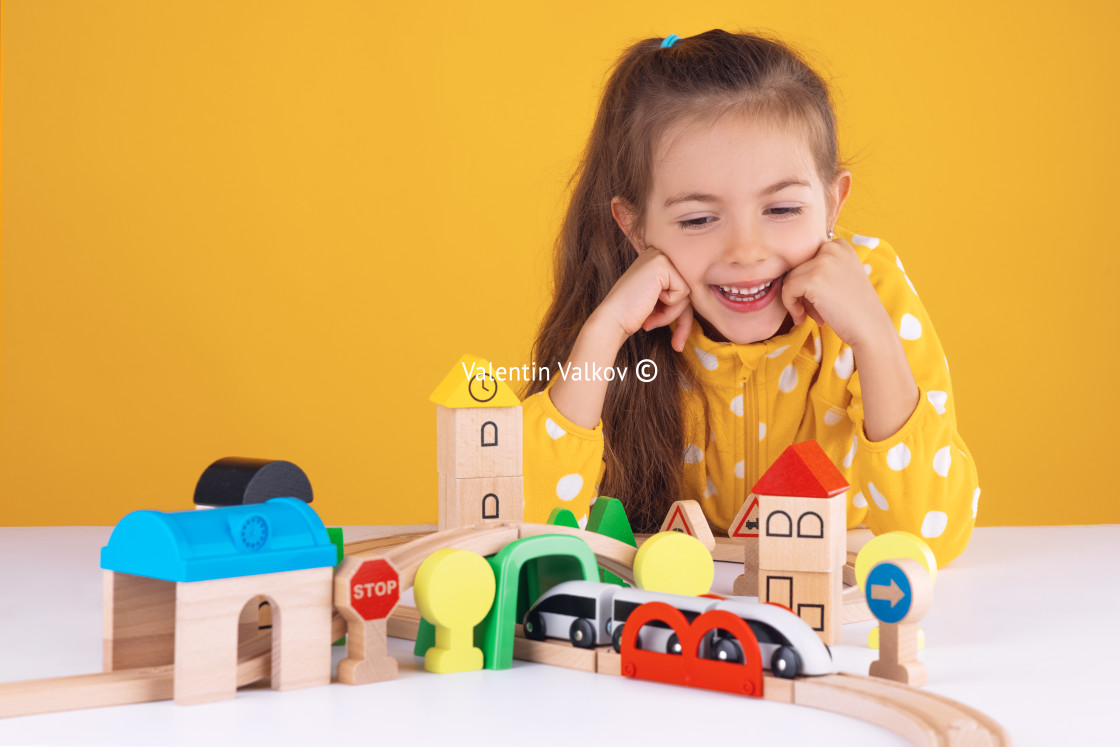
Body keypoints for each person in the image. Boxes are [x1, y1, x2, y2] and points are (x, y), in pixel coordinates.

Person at [519, 29, 978, 566]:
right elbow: (526, 527)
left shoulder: (870, 293)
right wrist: (602, 334)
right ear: (636, 229)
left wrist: (874, 339)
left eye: (781, 210)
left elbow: (931, 537)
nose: (745, 251)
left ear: (833, 205)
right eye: (697, 219)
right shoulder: (629, 318)